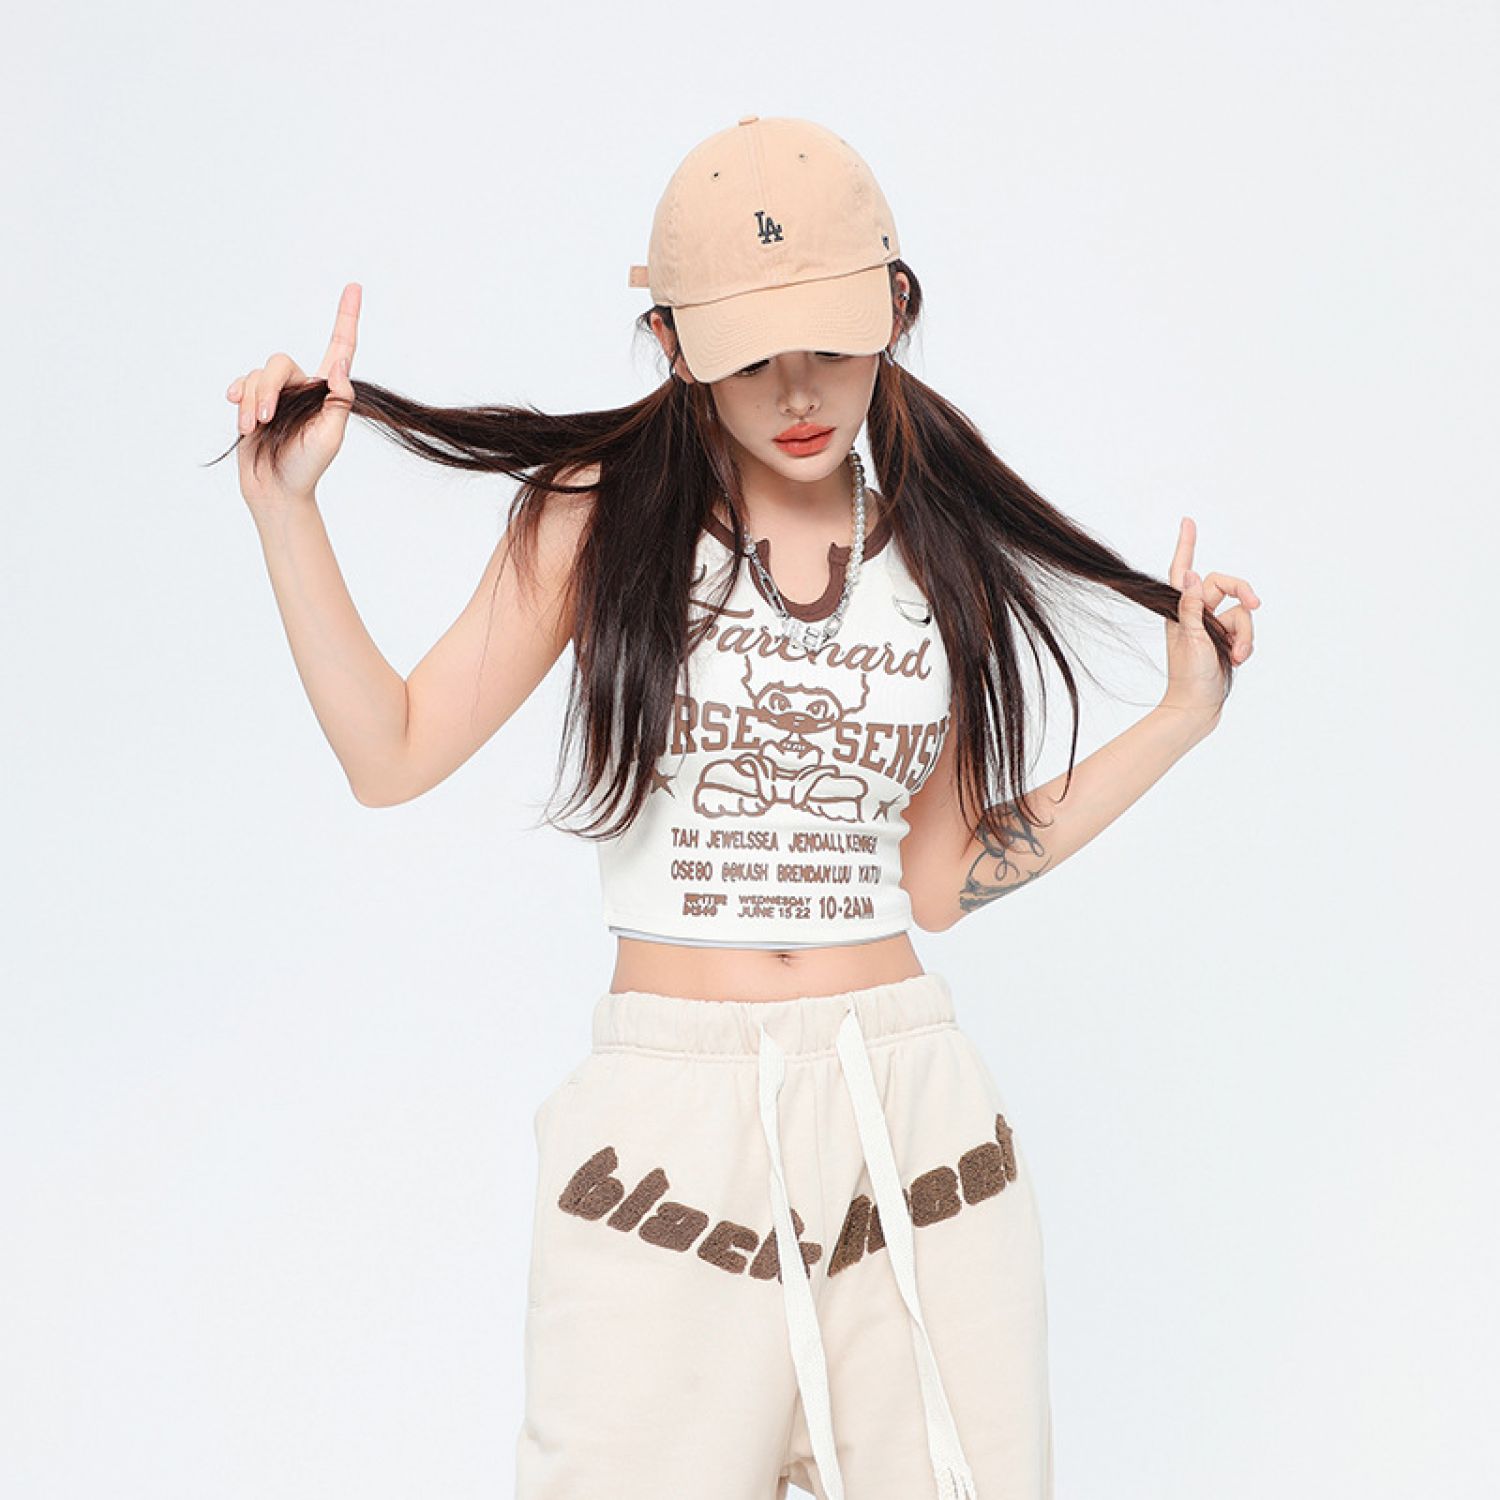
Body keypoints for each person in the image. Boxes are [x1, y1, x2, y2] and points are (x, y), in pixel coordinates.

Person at [217, 115, 1257, 1500]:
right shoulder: (598, 517)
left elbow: (941, 877)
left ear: (895, 310)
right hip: (669, 1141)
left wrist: (1179, 718)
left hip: (915, 1132)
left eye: (829, 341)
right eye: (750, 353)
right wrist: (287, 513)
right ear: (670, 343)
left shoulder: (936, 547)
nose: (797, 390)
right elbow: (392, 752)